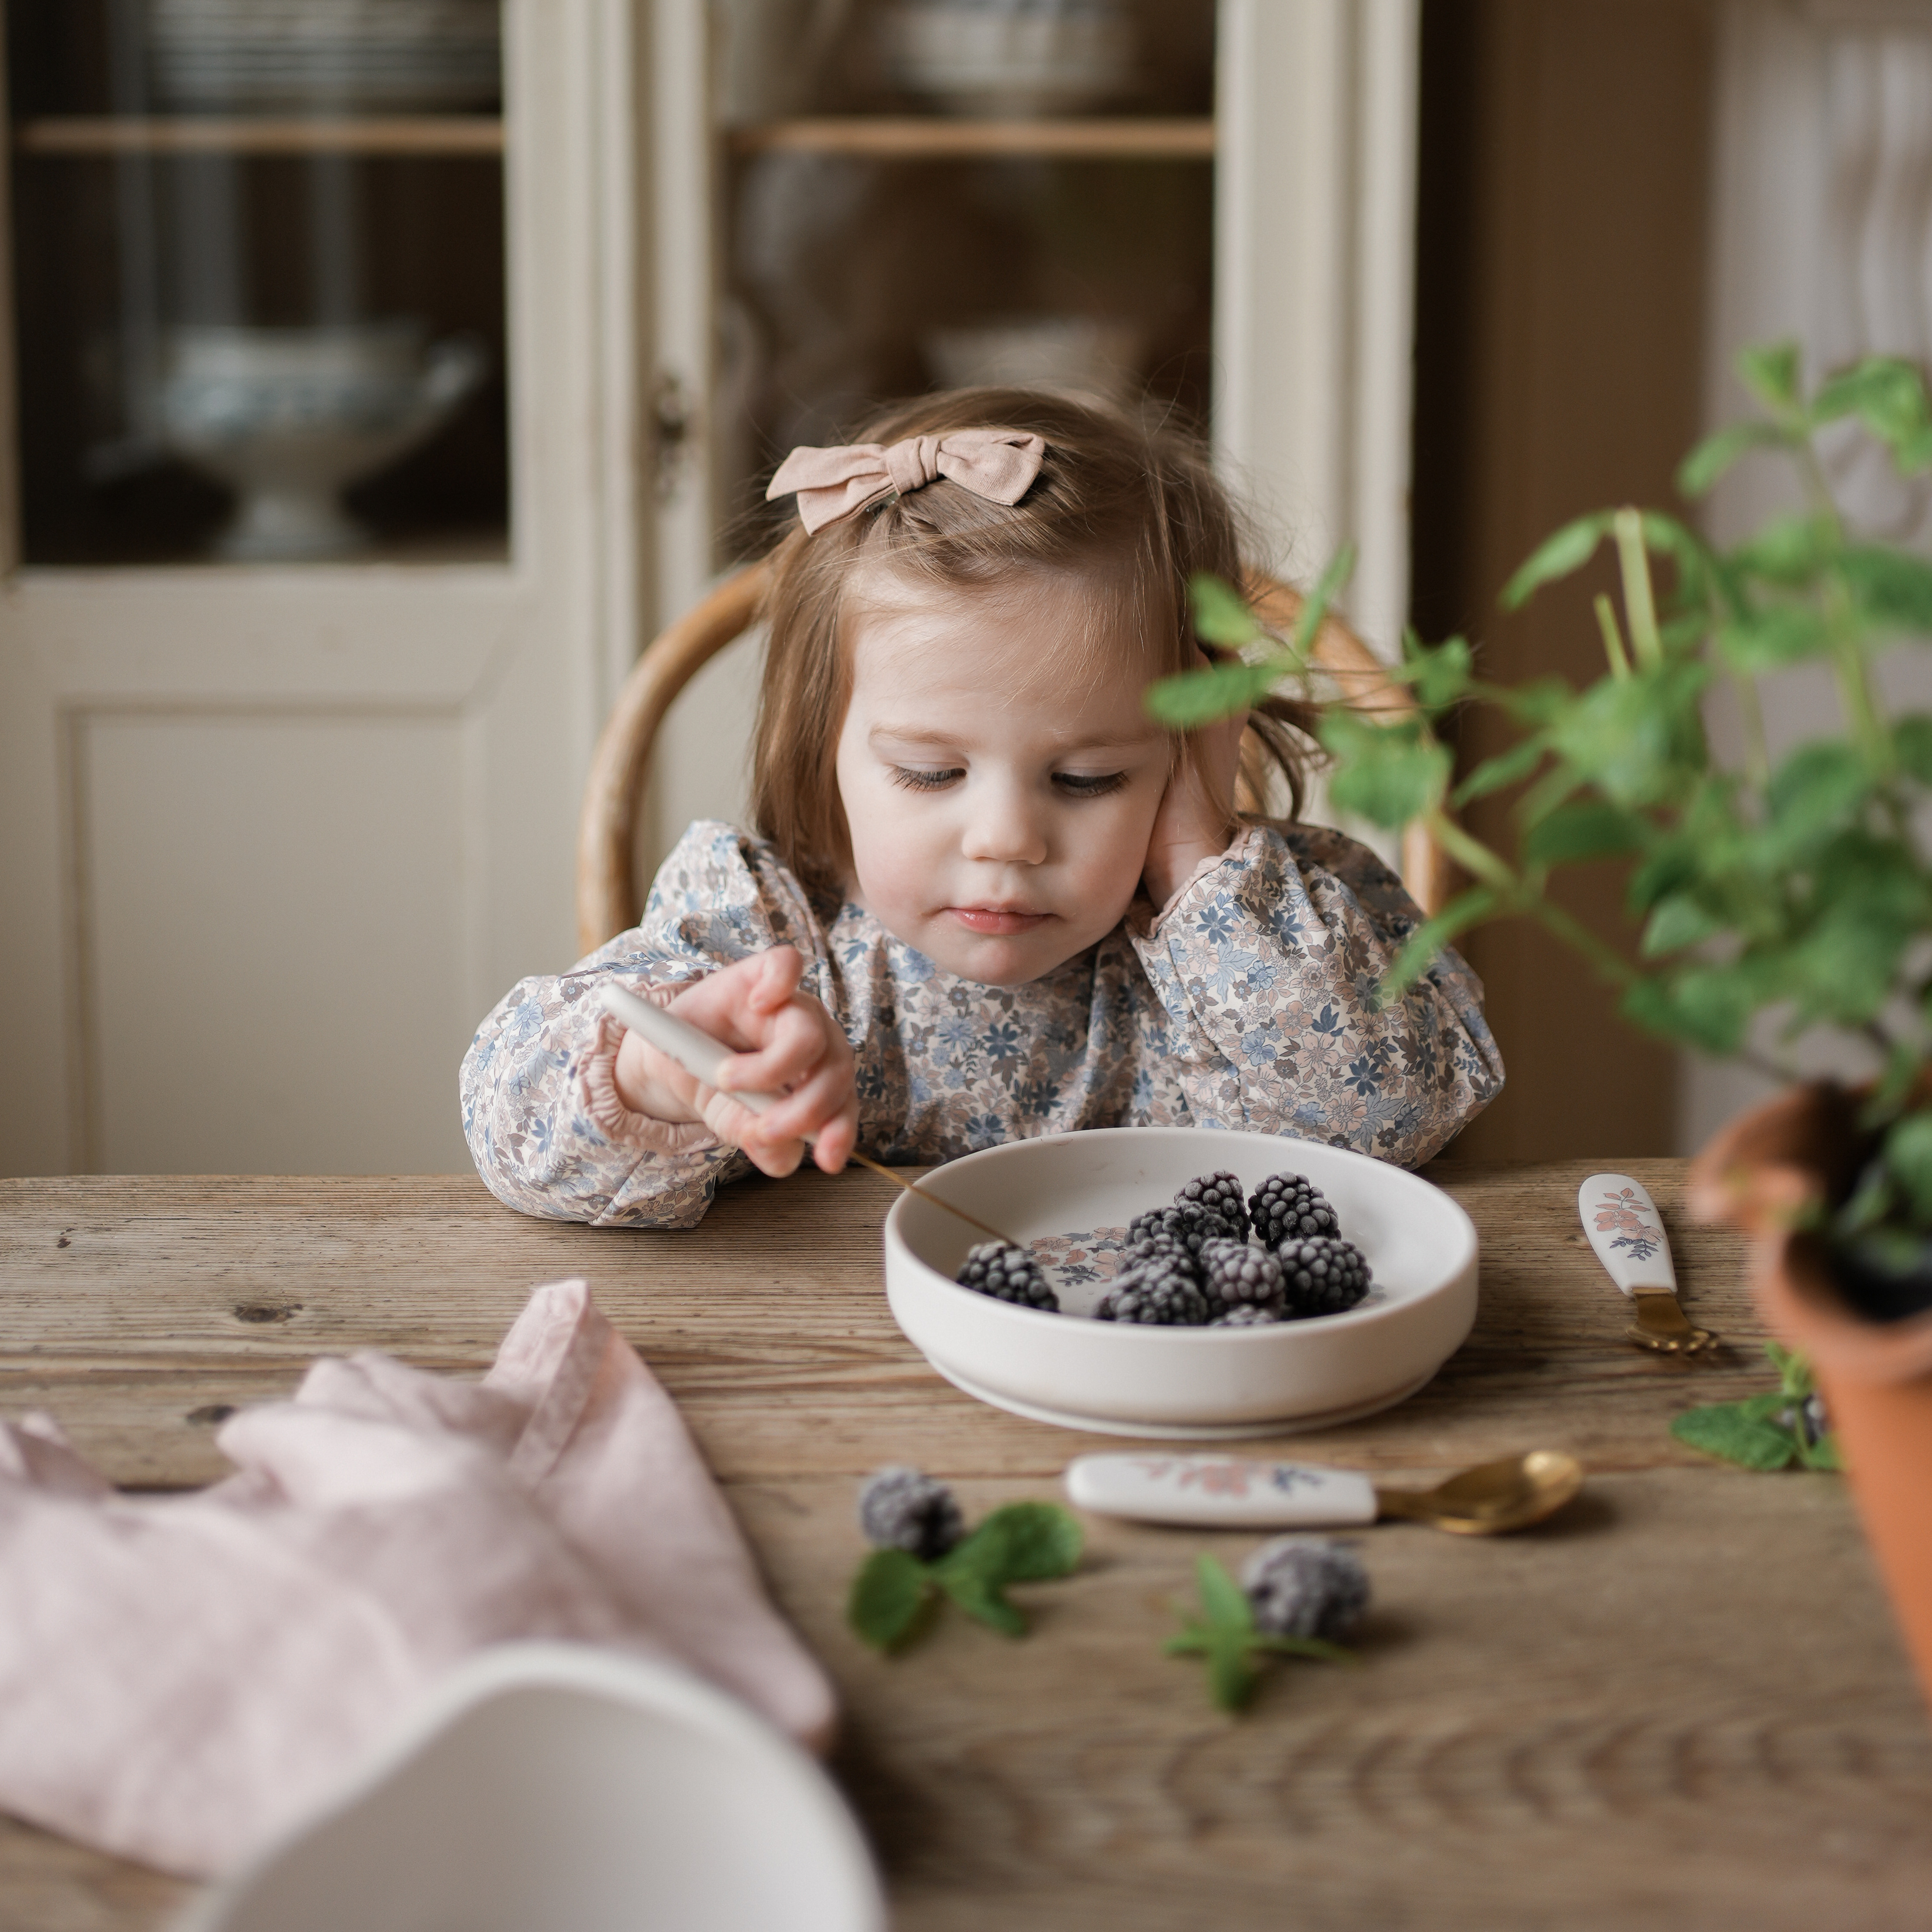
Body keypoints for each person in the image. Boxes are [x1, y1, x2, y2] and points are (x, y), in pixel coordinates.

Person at [461, 388, 1503, 1228]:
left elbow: (1394, 1121)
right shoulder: (771, 941)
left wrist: (1198, 856)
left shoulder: (1273, 930)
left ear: (1190, 742)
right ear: (822, 752)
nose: (1006, 838)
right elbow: (514, 1133)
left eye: (1088, 777)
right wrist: (661, 1074)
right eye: (928, 772)